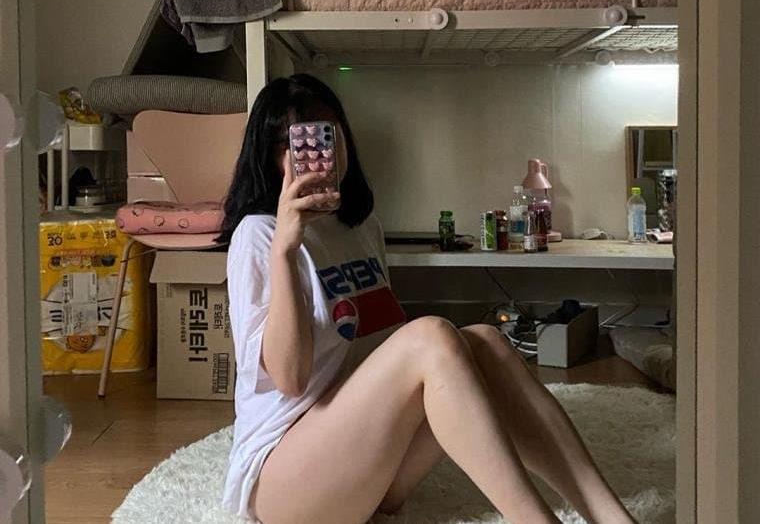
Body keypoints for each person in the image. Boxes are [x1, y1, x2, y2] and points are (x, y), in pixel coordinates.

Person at [218, 74, 636, 524]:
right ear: (267, 155)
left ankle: (610, 517)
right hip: (283, 482)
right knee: (431, 336)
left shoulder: (361, 227)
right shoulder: (259, 235)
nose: (312, 156)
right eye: (289, 143)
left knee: (484, 341)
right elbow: (290, 379)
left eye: (325, 135)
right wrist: (285, 248)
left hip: (363, 466)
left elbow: (376, 347)